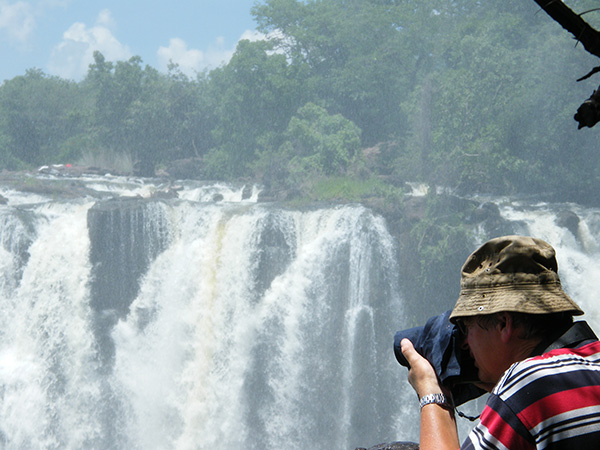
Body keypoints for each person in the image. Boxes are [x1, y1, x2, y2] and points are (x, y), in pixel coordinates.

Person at [400, 235, 600, 450]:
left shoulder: (529, 383)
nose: (465, 344)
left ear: (504, 323)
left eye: (466, 328)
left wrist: (432, 393)